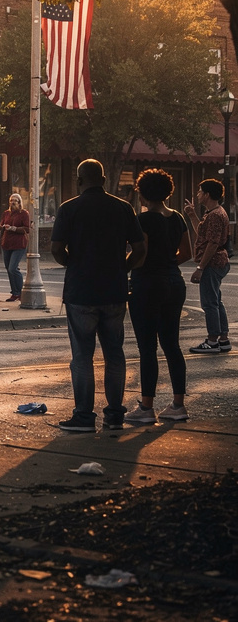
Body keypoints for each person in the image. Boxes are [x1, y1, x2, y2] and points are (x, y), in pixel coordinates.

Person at [50, 159, 146, 432]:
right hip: (114, 290)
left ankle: (83, 416)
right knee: (115, 353)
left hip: (81, 291)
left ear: (80, 181)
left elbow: (57, 248)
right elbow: (140, 249)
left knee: (82, 355)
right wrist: (122, 267)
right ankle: (115, 415)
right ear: (103, 180)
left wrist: (74, 263)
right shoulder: (123, 208)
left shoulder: (69, 208)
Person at [125, 169, 190, 424]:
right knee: (172, 344)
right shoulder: (177, 217)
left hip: (148, 283)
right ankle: (178, 404)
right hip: (174, 282)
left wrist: (124, 266)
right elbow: (186, 252)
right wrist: (167, 262)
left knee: (147, 347)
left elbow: (141, 253)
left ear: (142, 192)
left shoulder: (144, 220)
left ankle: (146, 407)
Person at [183, 178, 230, 353]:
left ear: (207, 194)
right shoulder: (212, 213)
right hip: (215, 262)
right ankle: (223, 339)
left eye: (200, 191)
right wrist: (192, 214)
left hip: (212, 263)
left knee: (209, 303)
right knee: (216, 301)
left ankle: (212, 341)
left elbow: (212, 243)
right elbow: (201, 234)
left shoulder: (216, 215)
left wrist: (200, 268)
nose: (198, 194)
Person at [0, 192, 32, 302]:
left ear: (19, 202)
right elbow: (2, 225)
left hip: (19, 244)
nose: (12, 203)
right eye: (11, 201)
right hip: (6, 243)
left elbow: (27, 229)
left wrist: (13, 228)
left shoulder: (24, 214)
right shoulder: (6, 213)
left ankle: (20, 292)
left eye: (15, 201)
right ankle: (14, 293)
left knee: (13, 268)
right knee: (9, 269)